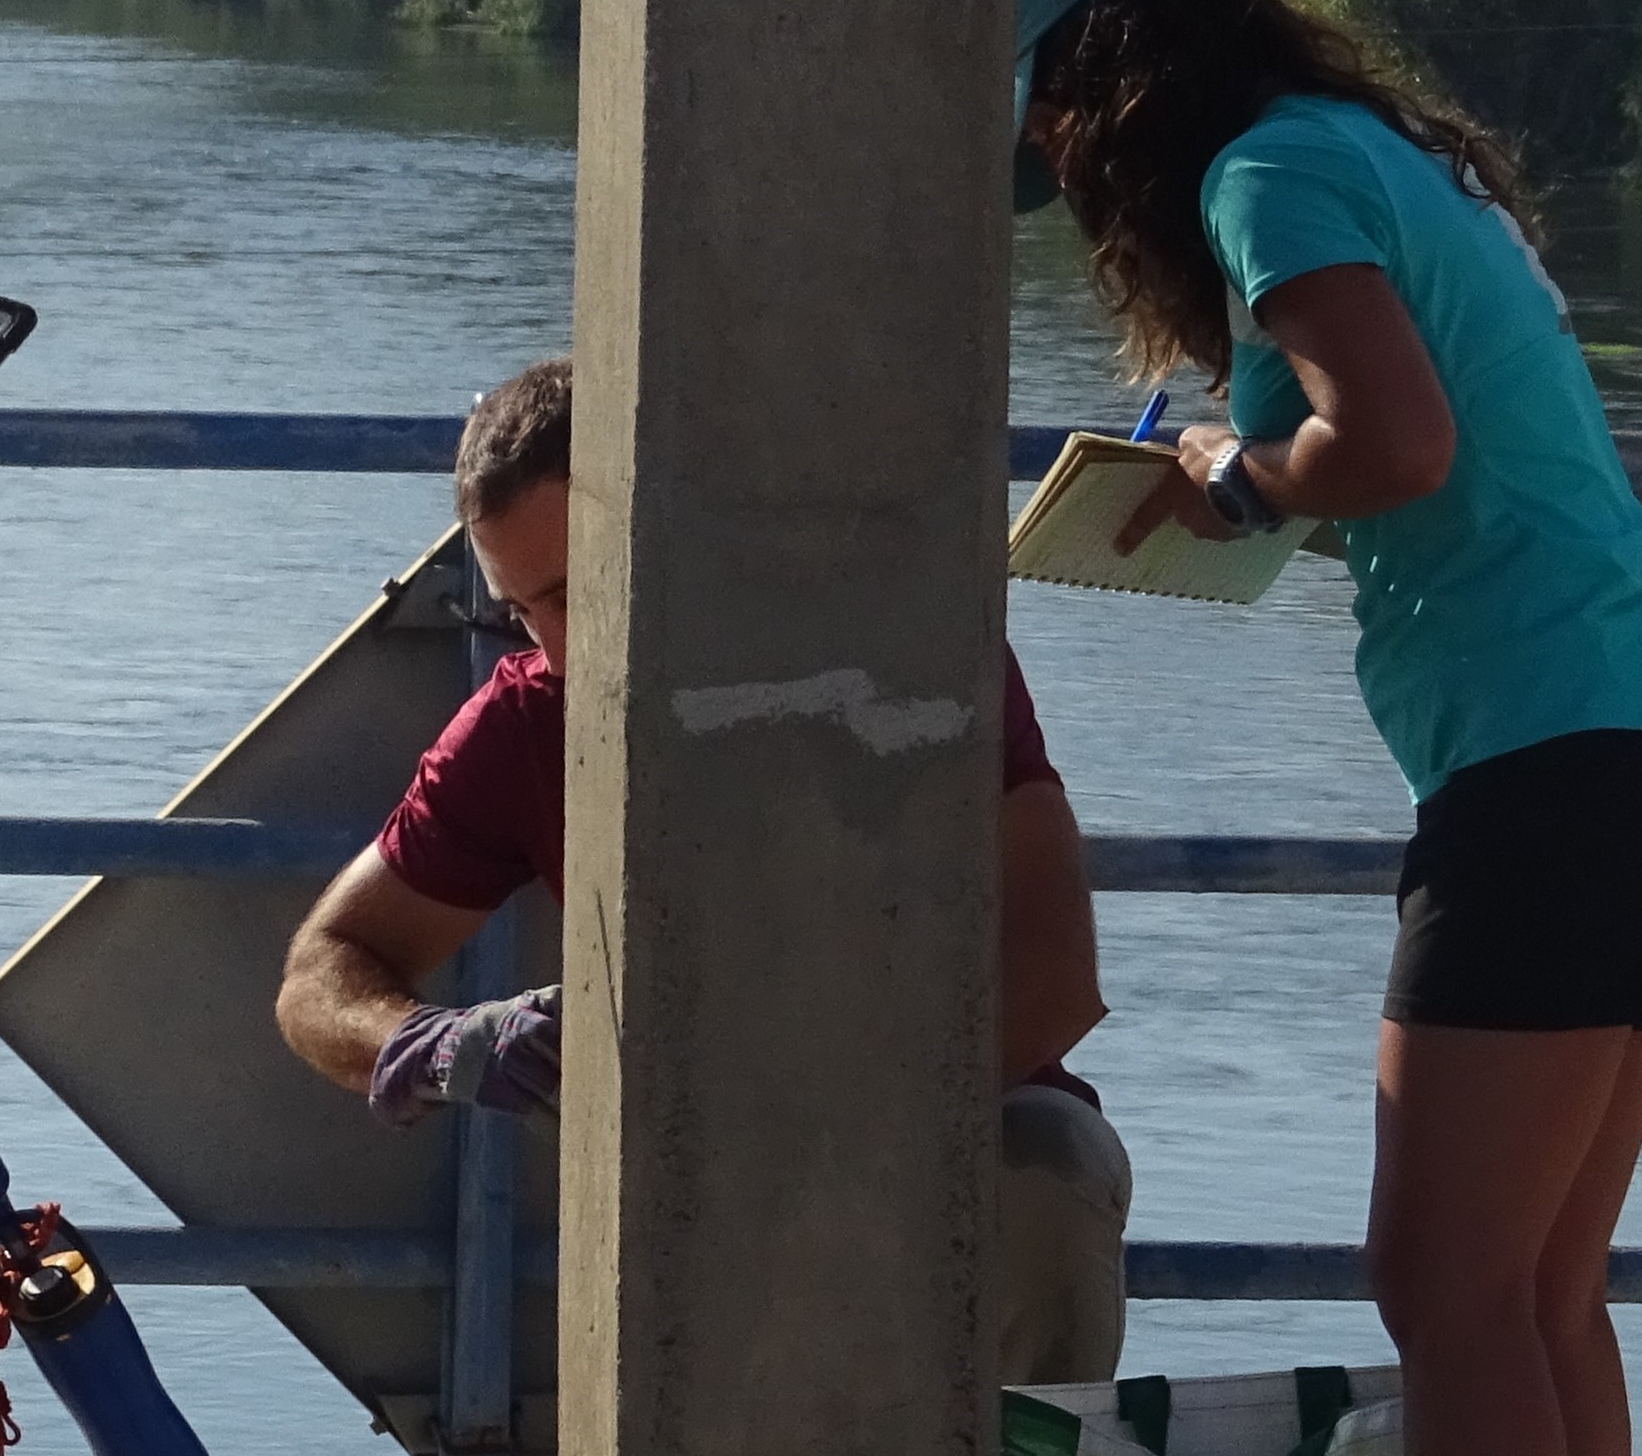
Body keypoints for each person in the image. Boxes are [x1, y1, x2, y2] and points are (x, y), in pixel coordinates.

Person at [1011, 0, 1642, 1456]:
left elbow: (1397, 440)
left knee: (1439, 1290)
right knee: (1537, 1285)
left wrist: (1241, 471)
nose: (1053, 158)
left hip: (1551, 754)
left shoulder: (1261, 172)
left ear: (1107, 70)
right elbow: (1442, 460)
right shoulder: (1370, 151)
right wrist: (1271, 481)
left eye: (1048, 112)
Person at [268, 357, 1134, 1386]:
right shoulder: (521, 720)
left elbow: (1051, 980)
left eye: (576, 592)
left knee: (1053, 1170)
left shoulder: (904, 648)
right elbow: (317, 976)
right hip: (692, 1169)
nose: (554, 643)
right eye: (517, 610)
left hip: (954, 1119)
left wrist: (828, 1139)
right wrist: (443, 1043)